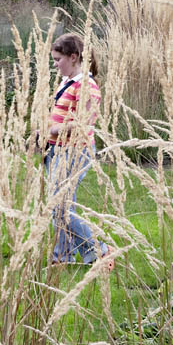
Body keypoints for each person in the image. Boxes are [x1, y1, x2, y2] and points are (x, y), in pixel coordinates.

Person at [43, 32, 114, 268]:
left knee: (59, 207)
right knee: (63, 205)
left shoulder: (88, 86)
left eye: (57, 59)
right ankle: (62, 256)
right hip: (57, 150)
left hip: (74, 152)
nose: (55, 65)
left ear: (73, 57)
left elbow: (85, 123)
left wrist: (54, 129)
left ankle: (100, 250)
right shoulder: (68, 83)